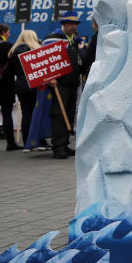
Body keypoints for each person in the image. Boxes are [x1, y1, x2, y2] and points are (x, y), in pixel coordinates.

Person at [44, 11, 83, 159]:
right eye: (71, 24)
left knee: (69, 114)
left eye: (75, 24)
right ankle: (58, 146)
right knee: (59, 115)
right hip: (59, 83)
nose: (74, 26)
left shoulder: (72, 39)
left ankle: (65, 144)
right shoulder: (53, 38)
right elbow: (45, 60)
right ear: (64, 24)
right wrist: (50, 77)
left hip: (72, 83)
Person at [0, 24, 21, 151]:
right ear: (3, 32)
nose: (9, 34)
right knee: (7, 114)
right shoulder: (7, 46)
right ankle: (10, 143)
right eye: (8, 32)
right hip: (6, 84)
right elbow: (14, 66)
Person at [9, 29, 45, 150]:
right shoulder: (35, 50)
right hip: (35, 84)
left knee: (26, 113)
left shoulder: (14, 51)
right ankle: (38, 140)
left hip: (20, 85)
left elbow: (12, 70)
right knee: (37, 113)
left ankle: (27, 142)